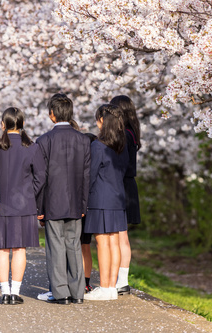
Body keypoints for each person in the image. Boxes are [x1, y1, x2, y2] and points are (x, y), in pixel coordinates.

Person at [37, 93, 90, 305]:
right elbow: (87, 175)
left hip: (52, 202)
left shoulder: (44, 141)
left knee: (55, 247)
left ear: (52, 115)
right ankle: (78, 292)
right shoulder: (83, 140)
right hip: (76, 203)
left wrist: (39, 207)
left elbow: (41, 178)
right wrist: (84, 204)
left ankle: (60, 293)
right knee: (74, 245)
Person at [0, 107, 46, 305]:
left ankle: (4, 292)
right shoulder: (32, 148)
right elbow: (41, 178)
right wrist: (30, 195)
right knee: (20, 249)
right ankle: (15, 292)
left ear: (3, 125)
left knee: (2, 249)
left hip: (1, 205)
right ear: (22, 124)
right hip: (24, 206)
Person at [84, 104, 128, 301]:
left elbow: (90, 175)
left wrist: (83, 198)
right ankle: (111, 287)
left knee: (103, 243)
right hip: (118, 198)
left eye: (98, 119)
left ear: (103, 121)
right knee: (114, 243)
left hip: (100, 198)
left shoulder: (98, 146)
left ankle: (104, 286)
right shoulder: (122, 145)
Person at [110, 95, 141, 295]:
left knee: (120, 236)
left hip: (122, 187)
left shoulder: (125, 135)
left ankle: (121, 281)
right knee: (123, 236)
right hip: (128, 186)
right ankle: (122, 279)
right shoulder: (132, 133)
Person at [82, 133, 98, 293]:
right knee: (85, 246)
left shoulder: (82, 163)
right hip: (90, 207)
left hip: (80, 208)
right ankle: (86, 283)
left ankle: (78, 280)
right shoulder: (96, 163)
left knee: (78, 245)